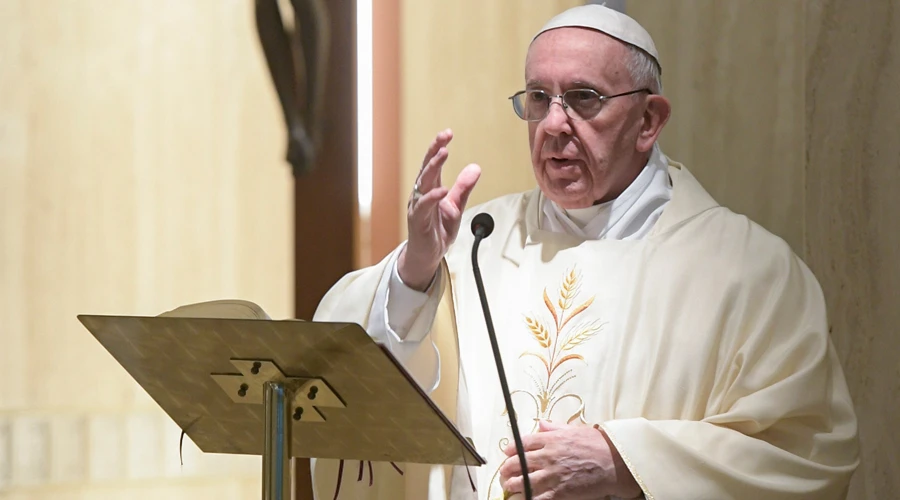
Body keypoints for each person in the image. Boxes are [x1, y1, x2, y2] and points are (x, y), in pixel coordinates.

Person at [309, 4, 859, 499]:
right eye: (538, 98)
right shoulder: (475, 241)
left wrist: (625, 463)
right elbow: (342, 365)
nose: (552, 123)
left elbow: (805, 449)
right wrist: (415, 271)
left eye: (582, 98)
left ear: (649, 121)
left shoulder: (750, 272)